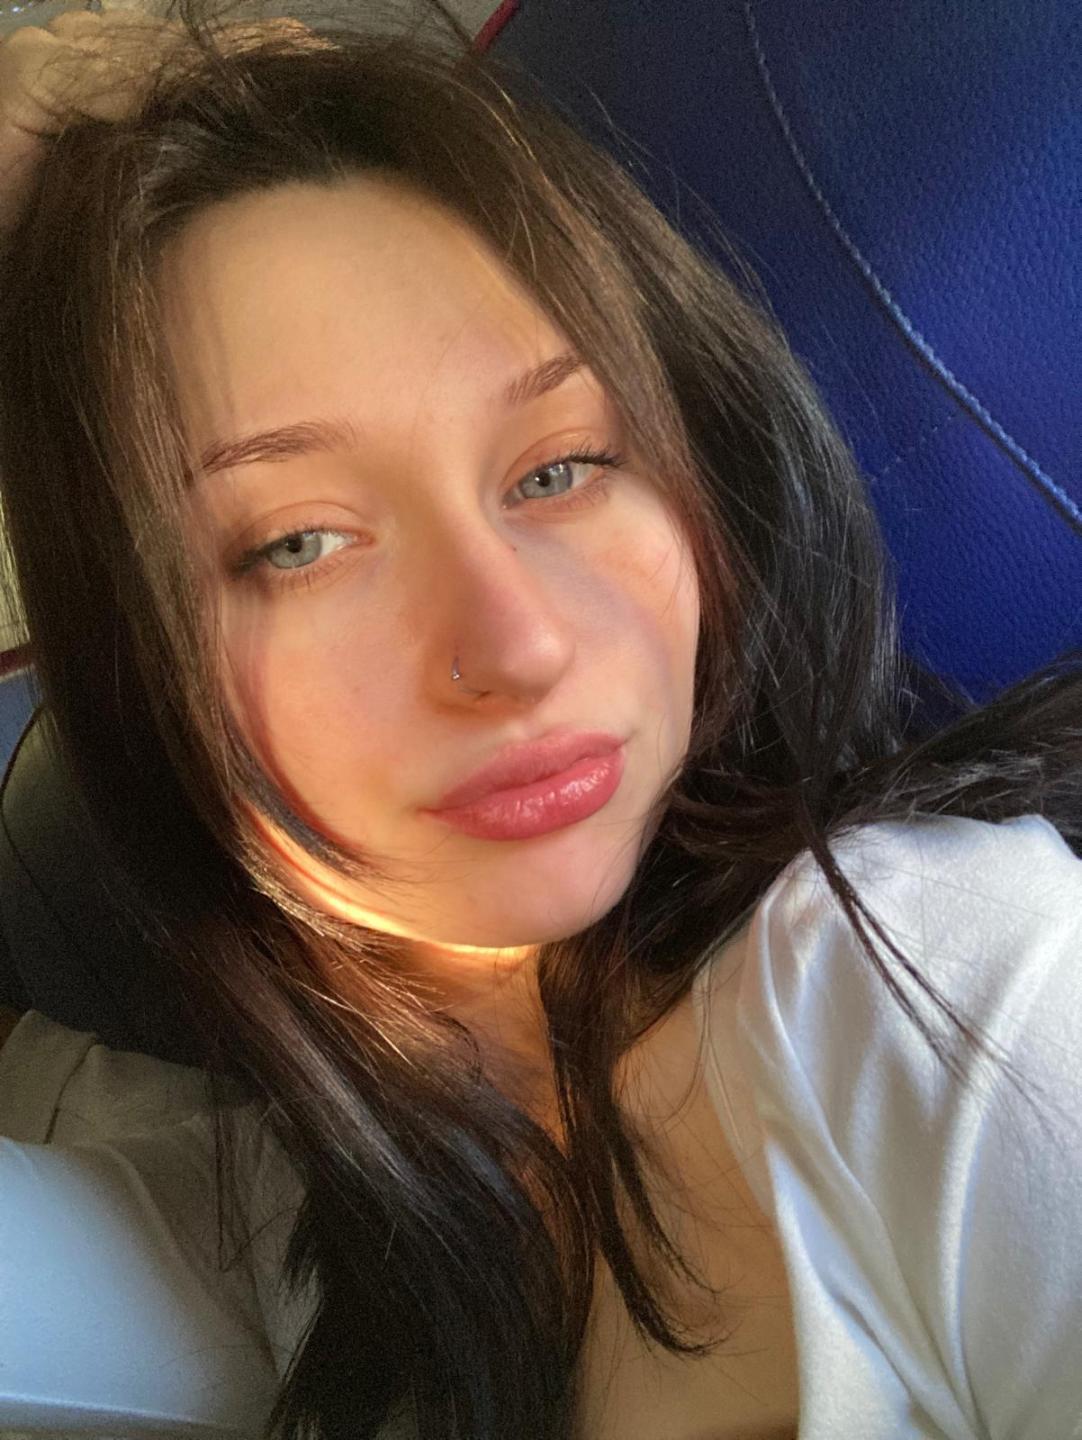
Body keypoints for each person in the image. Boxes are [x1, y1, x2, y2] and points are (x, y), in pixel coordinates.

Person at [0, 2, 1080, 1436]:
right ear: (132, 674)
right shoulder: (268, 1232)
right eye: (299, 544)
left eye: (560, 468)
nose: (518, 644)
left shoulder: (940, 993)